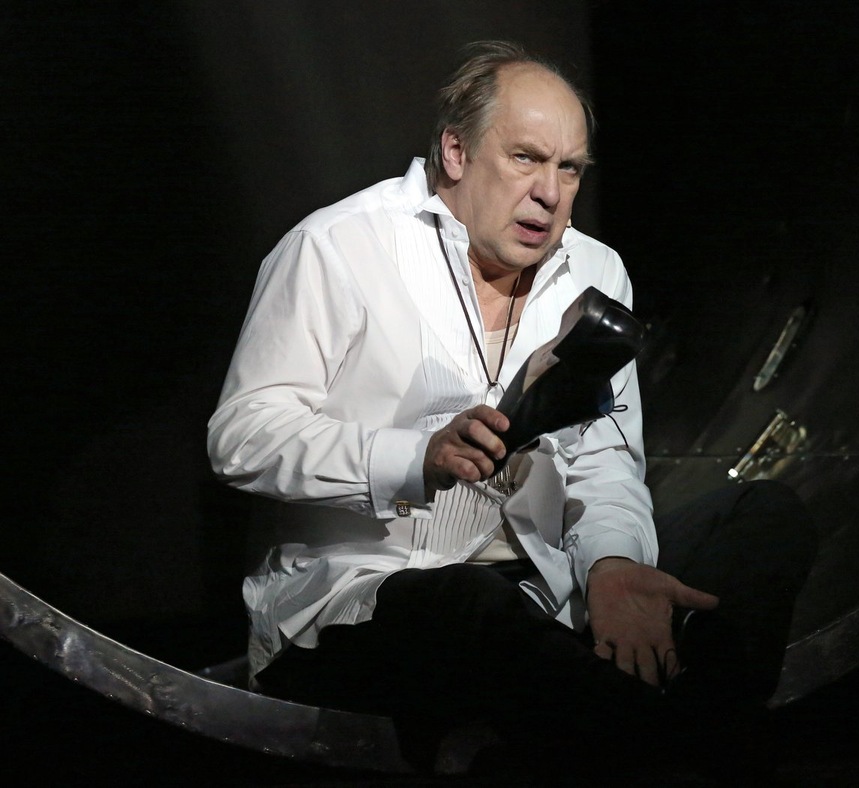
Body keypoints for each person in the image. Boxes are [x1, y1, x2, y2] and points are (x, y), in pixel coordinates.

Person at [208, 40, 816, 780]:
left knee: (763, 517)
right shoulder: (338, 249)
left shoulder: (594, 270)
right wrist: (415, 456)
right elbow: (243, 437)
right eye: (526, 158)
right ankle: (673, 746)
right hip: (369, 596)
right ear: (455, 152)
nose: (550, 193)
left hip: (538, 586)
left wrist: (614, 567)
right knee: (467, 606)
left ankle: (669, 729)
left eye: (570, 169)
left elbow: (605, 458)